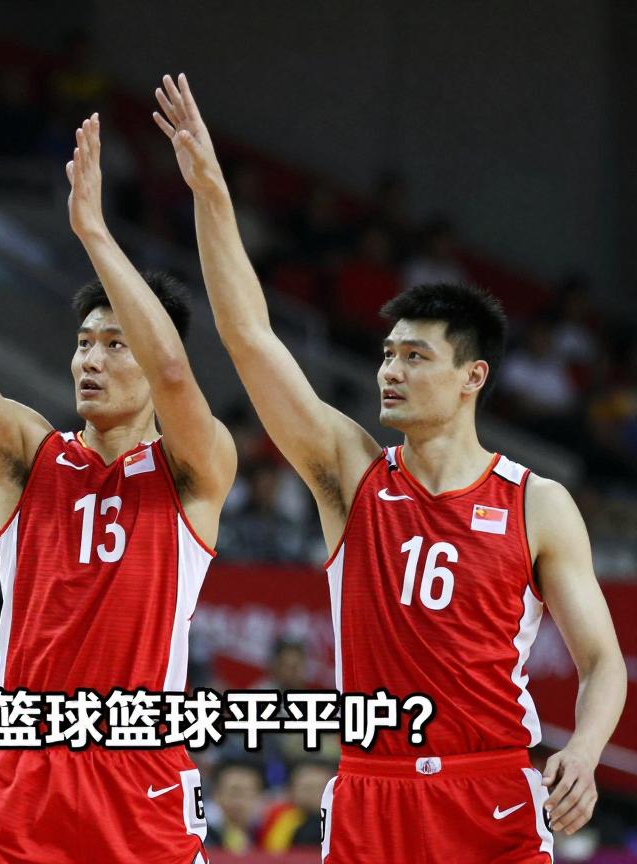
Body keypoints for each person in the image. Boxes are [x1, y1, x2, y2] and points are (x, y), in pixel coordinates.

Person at [153, 73, 627, 862]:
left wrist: (581, 751)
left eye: (414, 357)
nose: (390, 372)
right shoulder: (352, 473)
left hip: (491, 790)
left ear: (473, 377)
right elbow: (249, 337)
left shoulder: (536, 502)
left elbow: (604, 660)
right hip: (374, 791)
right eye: (386, 355)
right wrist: (211, 193)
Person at [0, 110, 236, 864]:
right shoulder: (28, 455)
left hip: (139, 771)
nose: (90, 361)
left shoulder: (194, 468)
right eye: (83, 344)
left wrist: (93, 232)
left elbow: (175, 373)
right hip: (29, 768)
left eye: (115, 345)